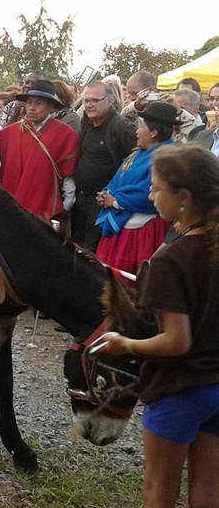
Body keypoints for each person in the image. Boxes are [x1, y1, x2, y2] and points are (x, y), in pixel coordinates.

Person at [92, 144, 219, 508]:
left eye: (156, 188)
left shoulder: (172, 259)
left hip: (181, 389)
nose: (150, 194)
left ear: (183, 198)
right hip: (217, 386)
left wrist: (125, 345)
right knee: (208, 493)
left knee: (159, 493)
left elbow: (177, 341)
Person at [94, 102, 174, 276]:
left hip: (141, 233)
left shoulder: (168, 157)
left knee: (128, 282)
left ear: (153, 132)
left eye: (141, 126)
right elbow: (118, 178)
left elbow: (150, 193)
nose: (136, 131)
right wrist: (106, 193)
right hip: (124, 229)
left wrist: (116, 201)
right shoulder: (139, 153)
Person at [0, 80, 79, 220]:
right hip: (10, 205)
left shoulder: (65, 135)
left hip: (44, 208)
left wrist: (65, 208)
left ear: (51, 106)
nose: (32, 108)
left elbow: (68, 179)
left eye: (38, 103)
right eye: (29, 102)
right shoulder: (9, 134)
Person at [72, 81, 137, 249]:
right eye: (86, 101)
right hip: (81, 198)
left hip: (102, 203)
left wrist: (117, 197)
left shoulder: (121, 128)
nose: (89, 105)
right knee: (76, 244)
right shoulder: (86, 122)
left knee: (91, 251)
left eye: (94, 100)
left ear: (110, 101)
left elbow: (134, 164)